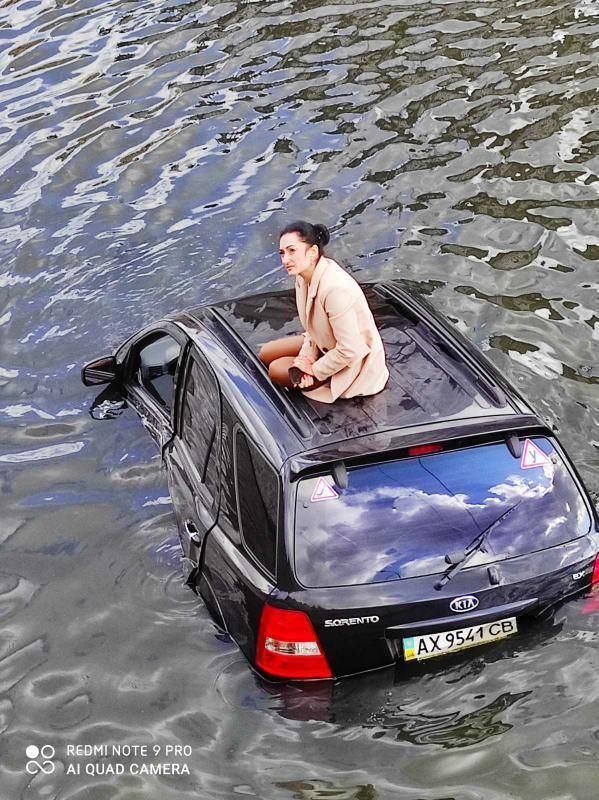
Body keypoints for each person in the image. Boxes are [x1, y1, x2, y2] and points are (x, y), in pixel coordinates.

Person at [258, 220, 389, 403]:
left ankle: (321, 378)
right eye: (282, 253)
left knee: (276, 369)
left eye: (292, 250)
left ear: (312, 252)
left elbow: (350, 349)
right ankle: (307, 365)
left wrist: (314, 369)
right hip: (324, 343)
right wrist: (305, 358)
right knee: (266, 353)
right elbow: (312, 329)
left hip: (352, 363)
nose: (285, 260)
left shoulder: (335, 290)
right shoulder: (303, 277)